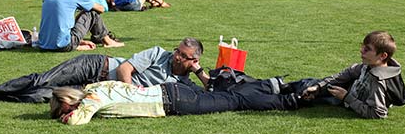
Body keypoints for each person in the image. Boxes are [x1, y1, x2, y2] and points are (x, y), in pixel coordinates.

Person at [0, 37, 209, 105]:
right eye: (177, 51)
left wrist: (198, 72)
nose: (176, 55)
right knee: (42, 79)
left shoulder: (183, 82)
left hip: (96, 89)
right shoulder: (159, 53)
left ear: (193, 60)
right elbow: (125, 68)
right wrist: (129, 91)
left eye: (182, 55)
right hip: (97, 66)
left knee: (42, 96)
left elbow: (208, 90)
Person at [49, 77, 302, 125]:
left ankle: (288, 101)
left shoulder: (92, 98)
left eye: (64, 108)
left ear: (69, 101)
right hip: (171, 91)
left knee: (236, 101)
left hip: (174, 102)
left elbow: (77, 122)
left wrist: (67, 117)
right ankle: (271, 85)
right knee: (228, 96)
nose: (67, 111)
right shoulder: (95, 87)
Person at [297, 31, 405, 119]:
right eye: (362, 46)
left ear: (383, 56)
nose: (361, 50)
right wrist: (318, 87)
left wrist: (346, 97)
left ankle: (282, 95)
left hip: (344, 99)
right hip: (345, 93)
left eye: (367, 49)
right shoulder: (369, 65)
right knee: (309, 84)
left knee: (302, 98)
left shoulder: (378, 81)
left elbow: (377, 113)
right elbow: (344, 75)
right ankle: (281, 86)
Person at [38, 0, 124, 51]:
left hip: (44, 43)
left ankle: (79, 43)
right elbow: (101, 9)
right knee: (92, 13)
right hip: (63, 45)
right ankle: (107, 41)